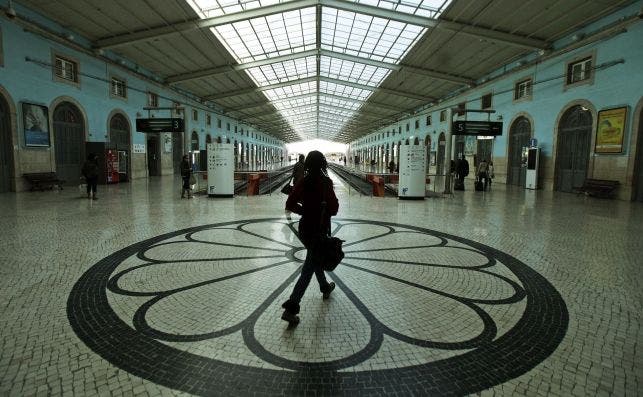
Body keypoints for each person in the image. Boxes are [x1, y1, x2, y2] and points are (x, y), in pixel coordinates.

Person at [282, 151, 339, 325]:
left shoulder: (303, 182)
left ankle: (325, 287)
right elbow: (335, 208)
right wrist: (322, 211)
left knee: (314, 258)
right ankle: (291, 307)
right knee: (308, 269)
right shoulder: (325, 183)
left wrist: (305, 211)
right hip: (319, 230)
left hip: (305, 229)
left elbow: (289, 204)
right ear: (322, 164)